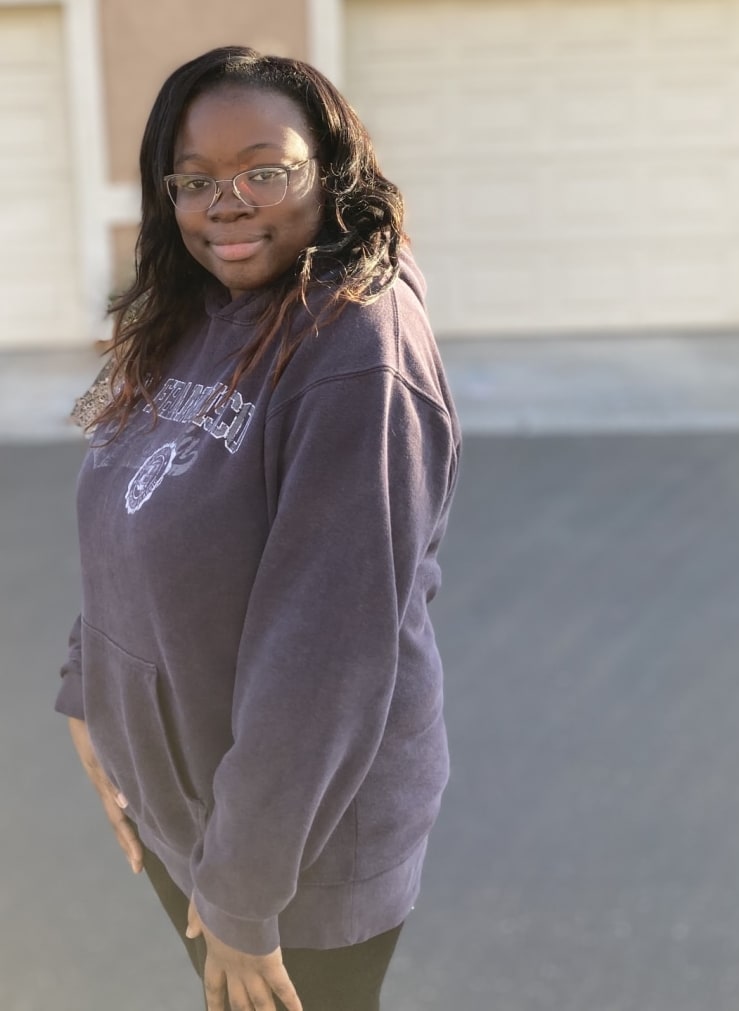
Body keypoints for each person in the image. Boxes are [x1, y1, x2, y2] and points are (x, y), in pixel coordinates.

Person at [55, 46, 461, 1011]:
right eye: (195, 181)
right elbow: (125, 509)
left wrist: (242, 893)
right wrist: (89, 689)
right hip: (192, 816)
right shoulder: (205, 308)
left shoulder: (355, 347)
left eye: (264, 170)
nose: (226, 204)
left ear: (332, 170)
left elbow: (325, 651)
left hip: (289, 865)